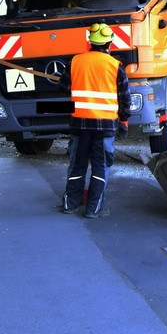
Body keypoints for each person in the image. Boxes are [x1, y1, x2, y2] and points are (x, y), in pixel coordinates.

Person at [59, 23, 131, 218]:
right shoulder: (115, 66)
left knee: (77, 164)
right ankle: (93, 209)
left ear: (90, 42)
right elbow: (125, 98)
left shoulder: (75, 61)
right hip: (105, 125)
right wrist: (124, 120)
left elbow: (64, 86)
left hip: (79, 124)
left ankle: (70, 205)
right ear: (109, 44)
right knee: (100, 166)